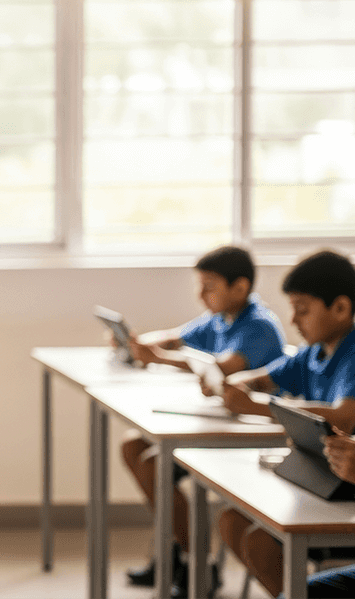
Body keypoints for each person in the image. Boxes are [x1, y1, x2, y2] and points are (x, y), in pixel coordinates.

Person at [118, 246, 286, 594]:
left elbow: (224, 368)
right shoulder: (219, 318)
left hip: (254, 433)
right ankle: (175, 554)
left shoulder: (259, 326)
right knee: (133, 445)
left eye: (210, 286)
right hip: (221, 421)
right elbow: (177, 336)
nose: (201, 294)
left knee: (154, 463)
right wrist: (138, 343)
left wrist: (159, 357)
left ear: (239, 288)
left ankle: (198, 565)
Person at [216, 249, 355, 598]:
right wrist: (242, 384)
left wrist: (260, 405)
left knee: (260, 537)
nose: (293, 320)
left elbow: (344, 417)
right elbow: (264, 379)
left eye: (303, 309)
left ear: (340, 308)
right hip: (320, 476)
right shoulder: (313, 352)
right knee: (233, 520)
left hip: (341, 492)